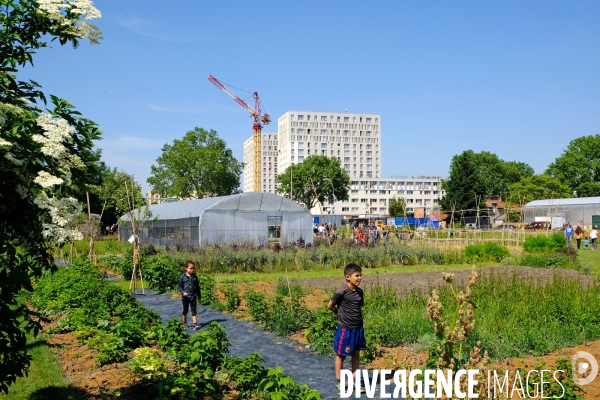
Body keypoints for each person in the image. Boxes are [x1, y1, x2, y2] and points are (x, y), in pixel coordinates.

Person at [328, 264, 366, 391]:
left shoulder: (360, 292)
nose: (359, 278)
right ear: (348, 277)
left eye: (360, 275)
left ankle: (355, 381)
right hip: (345, 329)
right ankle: (339, 382)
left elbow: (358, 307)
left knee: (356, 354)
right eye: (357, 276)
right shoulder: (341, 292)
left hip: (358, 328)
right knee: (341, 355)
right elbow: (330, 305)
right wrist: (338, 313)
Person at [178, 261, 201, 330]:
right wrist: (183, 292)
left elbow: (197, 287)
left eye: (193, 268)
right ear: (186, 268)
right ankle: (184, 322)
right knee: (185, 310)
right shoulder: (183, 277)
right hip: (185, 297)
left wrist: (199, 295)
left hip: (193, 296)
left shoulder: (195, 277)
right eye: (190, 268)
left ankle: (195, 324)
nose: (192, 270)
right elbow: (180, 286)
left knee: (194, 311)